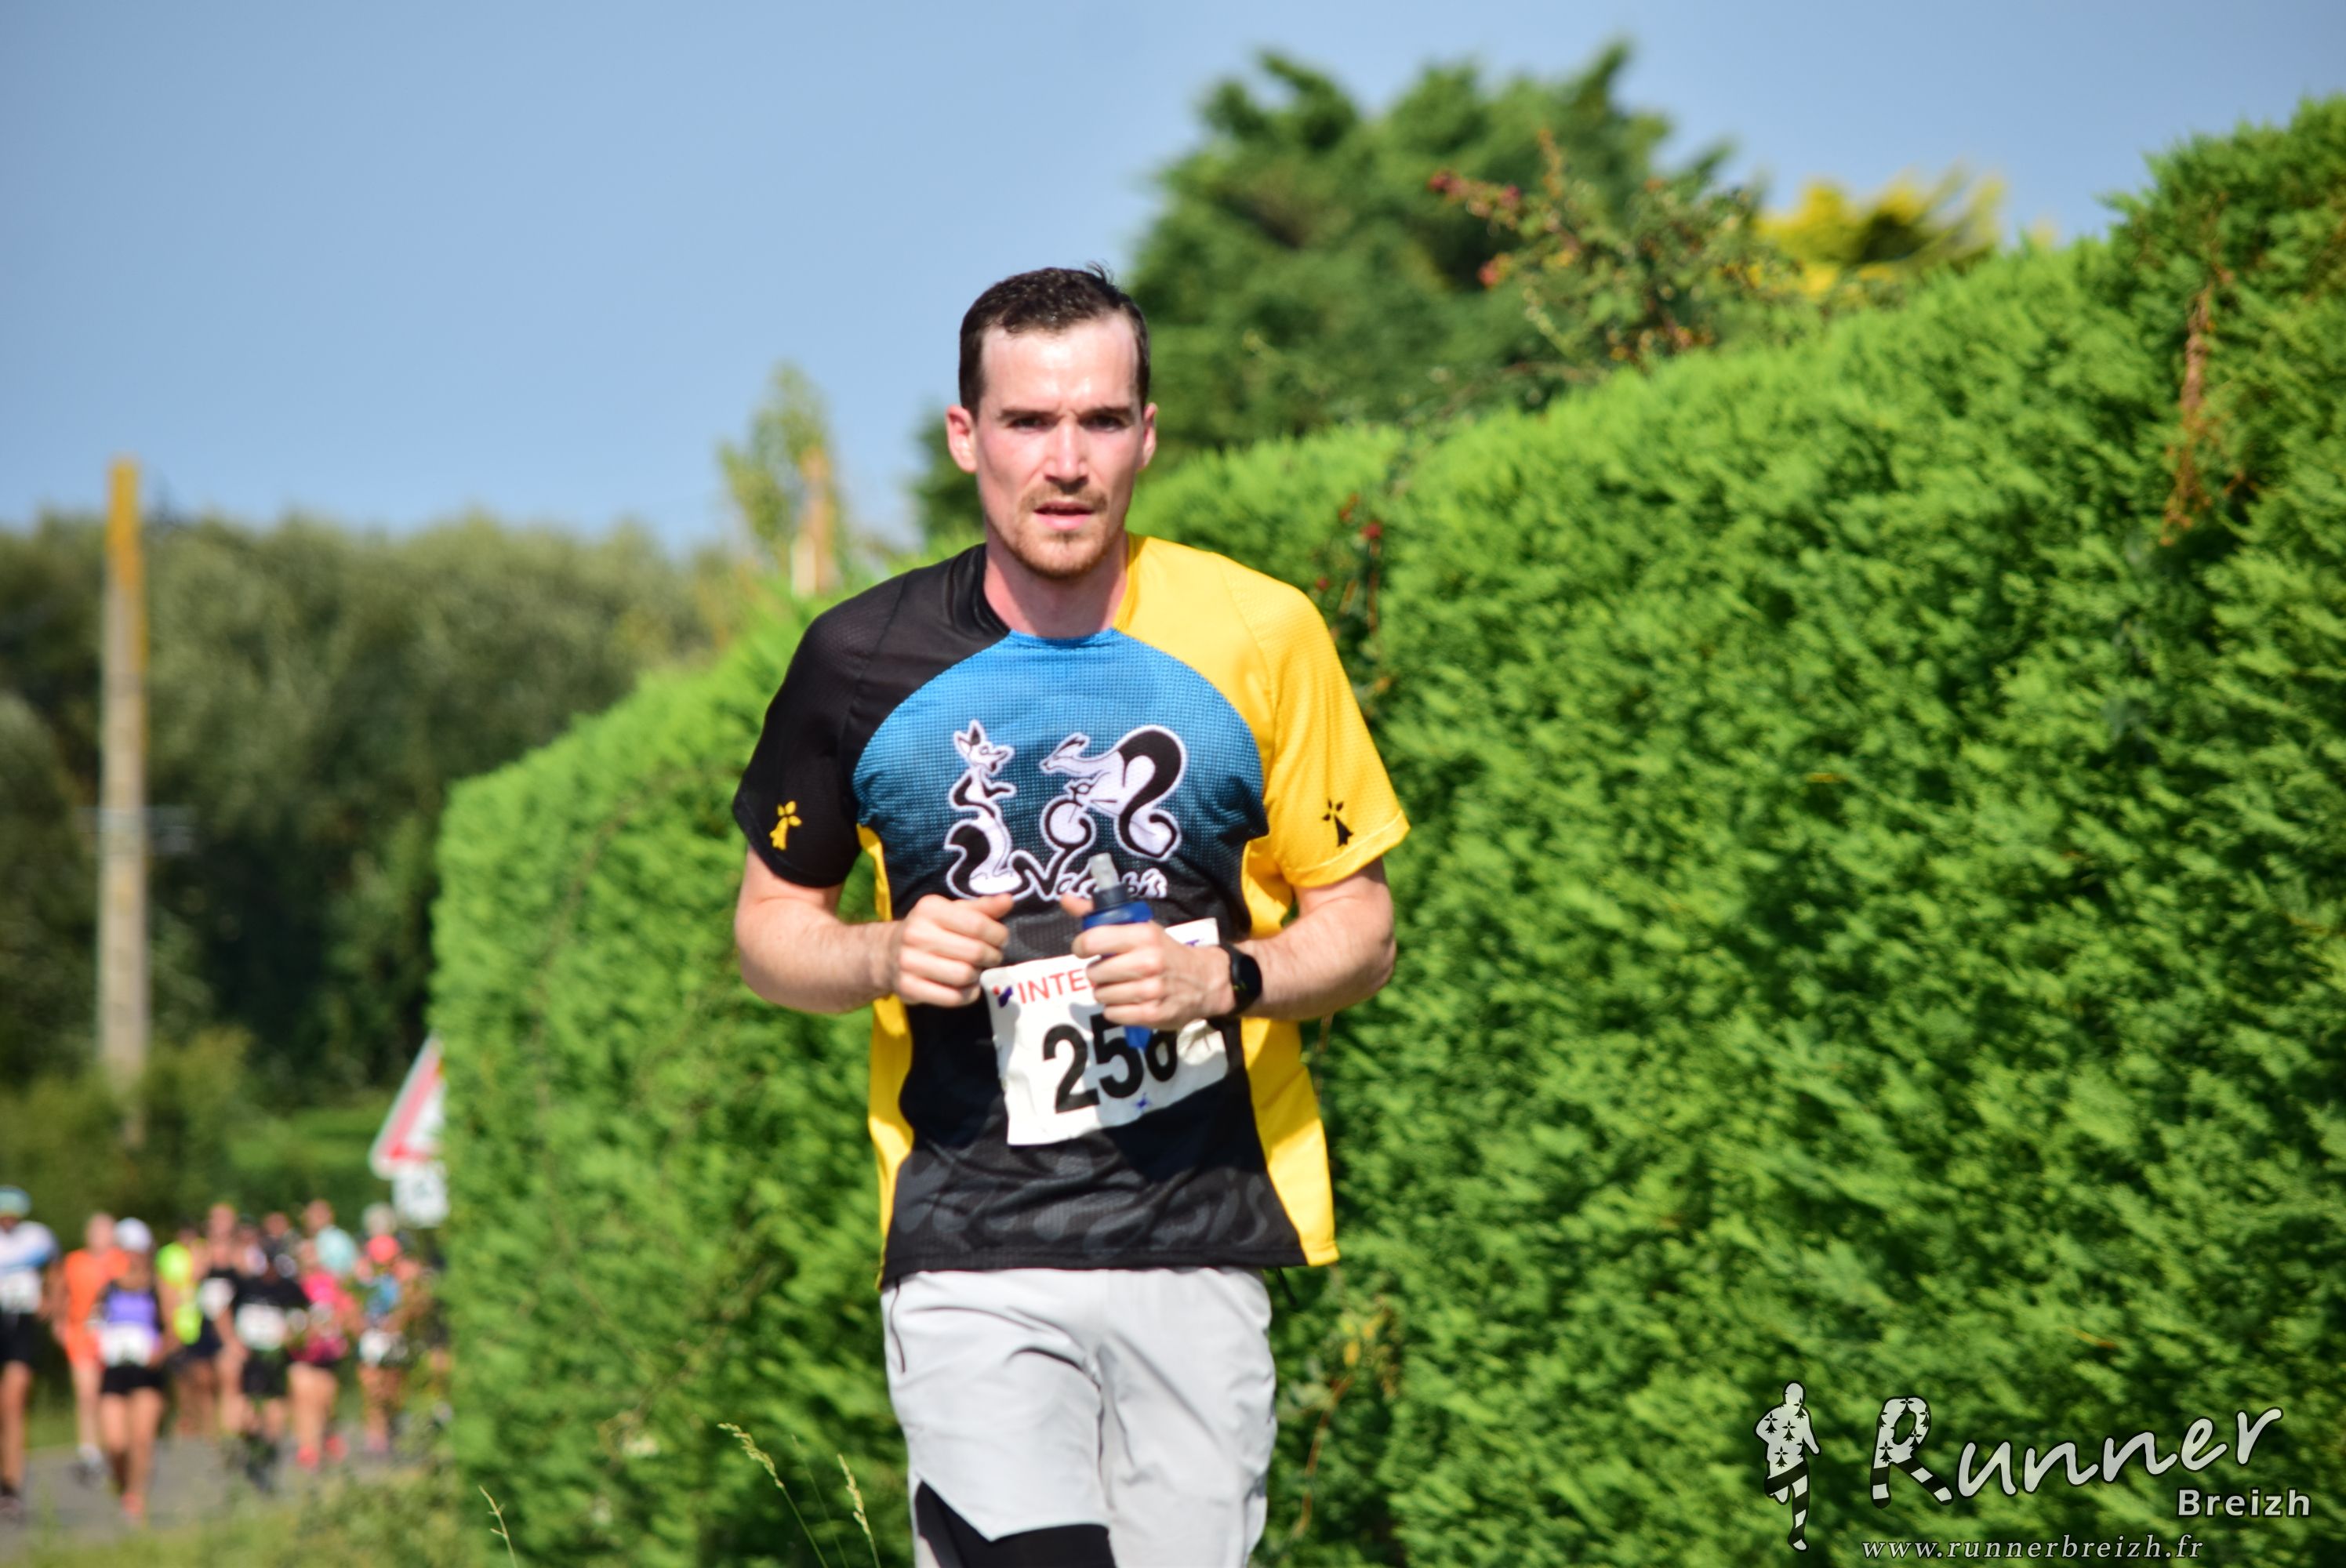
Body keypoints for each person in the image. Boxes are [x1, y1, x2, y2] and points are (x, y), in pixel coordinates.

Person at [732, 266, 1404, 1568]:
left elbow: (1361, 930)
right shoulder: (857, 659)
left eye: (1099, 421)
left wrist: (1223, 982)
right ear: (965, 436)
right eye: (1029, 422)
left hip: (1201, 1232)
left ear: (1146, 434)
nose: (1065, 462)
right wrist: (882, 951)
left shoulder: (1261, 634)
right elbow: (770, 929)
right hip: (969, 1239)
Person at [90, 1218, 176, 1526]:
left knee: (141, 1439)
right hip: (115, 1371)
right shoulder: (109, 1287)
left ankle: (135, 1497)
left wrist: (159, 1352)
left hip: (146, 1374)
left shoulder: (159, 1287)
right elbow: (95, 1323)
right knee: (115, 1443)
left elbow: (174, 1332)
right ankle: (123, 1486)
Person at [220, 1247, 303, 1491]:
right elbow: (223, 1311)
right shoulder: (246, 1285)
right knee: (246, 1415)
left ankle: (268, 1461)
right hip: (250, 1357)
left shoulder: (289, 1288)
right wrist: (231, 1341)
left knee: (275, 1413)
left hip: (276, 1360)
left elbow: (302, 1317)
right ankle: (249, 1453)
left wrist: (293, 1336)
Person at [0, 1187, 59, 1523]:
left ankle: (12, 1484)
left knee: (14, 1403)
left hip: (22, 1324)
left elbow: (56, 1267)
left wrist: (51, 1300)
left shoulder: (37, 1237)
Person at [53, 1212, 122, 1485]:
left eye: (106, 1231)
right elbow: (60, 1291)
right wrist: (60, 1323)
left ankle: (114, 1447)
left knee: (111, 1395)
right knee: (86, 1394)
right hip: (82, 1333)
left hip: (114, 1335)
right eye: (96, 1231)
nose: (100, 1237)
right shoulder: (74, 1261)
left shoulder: (122, 1261)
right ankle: (89, 1450)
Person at [288, 1240, 355, 1469]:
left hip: (327, 1353)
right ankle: (308, 1449)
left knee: (325, 1401)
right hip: (301, 1354)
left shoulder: (331, 1283)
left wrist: (341, 1329)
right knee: (304, 1397)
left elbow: (346, 1310)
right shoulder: (293, 1286)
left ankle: (327, 1436)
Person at [157, 1221, 218, 1440]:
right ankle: (187, 1421)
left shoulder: (202, 1249)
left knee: (204, 1377)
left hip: (199, 1323)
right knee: (182, 1378)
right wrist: (170, 1326)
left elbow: (203, 1272)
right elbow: (167, 1290)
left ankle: (208, 1426)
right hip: (180, 1324)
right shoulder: (169, 1256)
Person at [353, 1236, 411, 1456]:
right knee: (372, 1389)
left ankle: (392, 1430)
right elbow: (355, 1309)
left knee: (392, 1389)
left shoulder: (401, 1281)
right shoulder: (364, 1281)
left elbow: (408, 1309)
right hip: (372, 1337)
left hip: (394, 1338)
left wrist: (397, 1322)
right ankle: (375, 1438)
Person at [198, 1207, 247, 1439]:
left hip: (234, 1329)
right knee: (205, 1385)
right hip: (204, 1327)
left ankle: (230, 1438)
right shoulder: (200, 1254)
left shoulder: (242, 1255)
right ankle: (209, 1436)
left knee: (230, 1378)